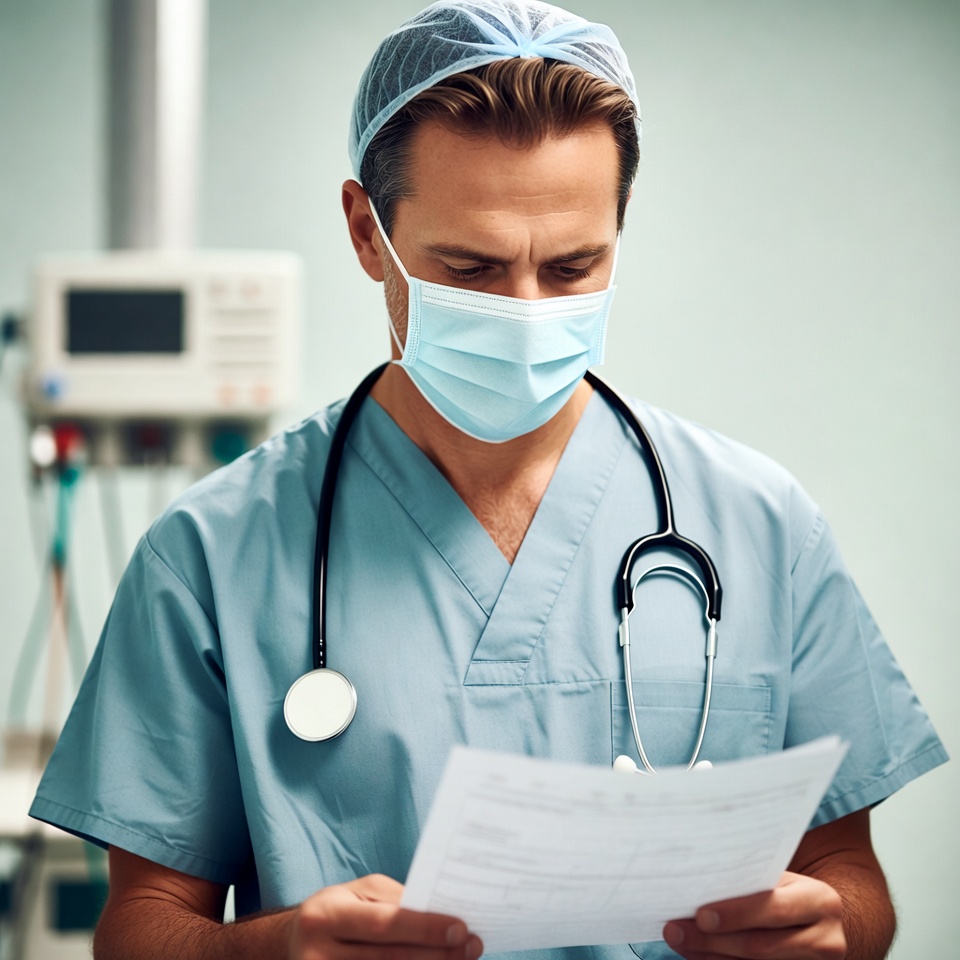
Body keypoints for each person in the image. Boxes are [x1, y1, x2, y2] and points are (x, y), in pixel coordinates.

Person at [30, 2, 946, 959]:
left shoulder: (763, 528)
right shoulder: (210, 556)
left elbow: (851, 877)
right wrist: (275, 948)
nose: (525, 311)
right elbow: (140, 923)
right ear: (366, 232)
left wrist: (831, 928)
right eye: (471, 269)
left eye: (573, 266)